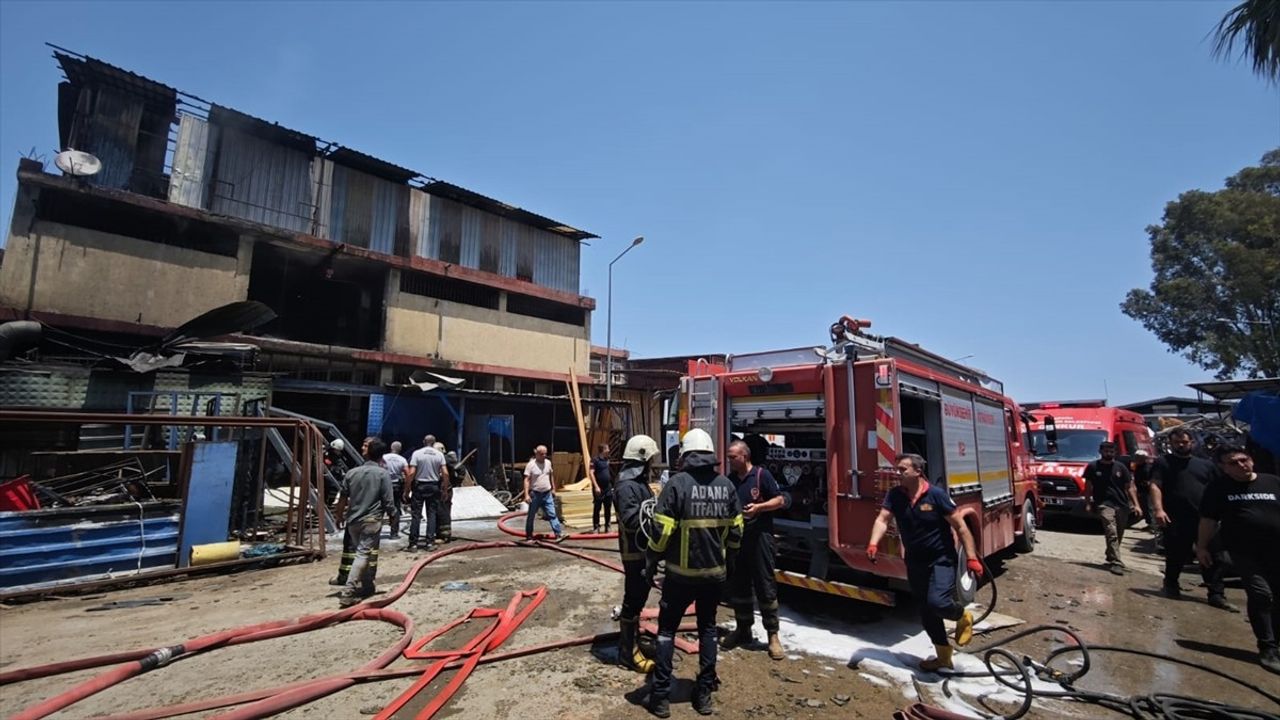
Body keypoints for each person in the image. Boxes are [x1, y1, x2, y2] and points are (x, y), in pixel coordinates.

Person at [644, 428, 743, 718]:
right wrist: (731, 561)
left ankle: (660, 698)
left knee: (666, 632)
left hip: (679, 576)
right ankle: (703, 695)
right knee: (708, 630)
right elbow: (736, 531)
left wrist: (651, 560)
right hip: (714, 576)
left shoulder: (676, 484)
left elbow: (661, 532)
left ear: (686, 455)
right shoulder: (726, 486)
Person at [866, 453, 984, 672]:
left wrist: (971, 558)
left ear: (918, 472)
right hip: (914, 560)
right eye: (897, 469)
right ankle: (943, 656)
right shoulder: (895, 495)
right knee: (926, 610)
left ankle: (961, 615)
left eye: (902, 470)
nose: (897, 473)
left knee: (937, 602)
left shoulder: (937, 496)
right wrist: (873, 543)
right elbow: (882, 519)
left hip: (941, 559)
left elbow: (961, 527)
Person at [1199, 445, 1280, 675]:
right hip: (1244, 552)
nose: (1241, 465)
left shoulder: (1272, 482)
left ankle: (1274, 640)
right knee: (1261, 595)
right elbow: (1208, 520)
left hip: (1276, 551)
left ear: (1251, 460)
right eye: (1233, 463)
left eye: (1244, 460)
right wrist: (1202, 547)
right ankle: (1267, 648)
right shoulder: (1219, 488)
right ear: (1223, 468)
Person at [1150, 428, 1235, 610]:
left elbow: (1219, 488)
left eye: (1184, 442)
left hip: (1206, 518)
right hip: (1176, 518)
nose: (1181, 445)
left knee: (1214, 556)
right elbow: (1155, 485)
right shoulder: (1163, 462)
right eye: (1177, 442)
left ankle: (1216, 594)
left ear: (1192, 443)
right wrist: (1158, 509)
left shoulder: (1206, 465)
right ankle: (1171, 584)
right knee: (1176, 555)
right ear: (1171, 444)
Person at [722, 439, 790, 660]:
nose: (730, 460)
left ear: (745, 456)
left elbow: (781, 499)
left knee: (765, 585)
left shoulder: (762, 476)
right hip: (738, 540)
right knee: (739, 585)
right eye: (729, 456)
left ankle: (773, 636)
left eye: (734, 457)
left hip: (761, 538)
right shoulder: (730, 480)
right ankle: (743, 629)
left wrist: (759, 507)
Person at [613, 434, 660, 673]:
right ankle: (627, 654)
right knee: (633, 601)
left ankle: (632, 644)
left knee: (639, 599)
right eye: (650, 459)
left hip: (643, 551)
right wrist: (658, 516)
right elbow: (632, 520)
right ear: (642, 459)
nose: (653, 463)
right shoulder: (627, 486)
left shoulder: (636, 483)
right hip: (634, 553)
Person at [336, 436, 394, 608]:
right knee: (362, 554)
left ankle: (368, 586)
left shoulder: (351, 473)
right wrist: (393, 516)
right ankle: (348, 592)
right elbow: (388, 500)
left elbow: (343, 498)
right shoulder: (383, 474)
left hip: (353, 520)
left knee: (363, 553)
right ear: (381, 456)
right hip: (371, 520)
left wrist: (338, 516)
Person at [1082, 441, 1141, 575]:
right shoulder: (1092, 467)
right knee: (1111, 530)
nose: (1109, 453)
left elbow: (1130, 487)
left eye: (1111, 451)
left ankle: (1110, 554)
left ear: (1115, 452)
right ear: (1100, 451)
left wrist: (1136, 505)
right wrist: (1087, 503)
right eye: (1106, 451)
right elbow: (1088, 486)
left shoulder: (1121, 468)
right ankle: (1116, 562)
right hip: (1104, 504)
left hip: (1121, 504)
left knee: (1118, 533)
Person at [406, 435, 450, 551]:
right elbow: (445, 473)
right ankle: (430, 543)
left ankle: (413, 544)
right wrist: (445, 489)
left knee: (416, 515)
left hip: (419, 486)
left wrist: (407, 489)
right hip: (434, 487)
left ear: (423, 442)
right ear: (434, 442)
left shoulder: (417, 453)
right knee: (432, 514)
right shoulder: (439, 455)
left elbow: (411, 473)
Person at [523, 445, 566, 543]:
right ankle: (529, 536)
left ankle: (558, 534)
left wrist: (553, 488)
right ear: (536, 454)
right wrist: (526, 495)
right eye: (542, 454)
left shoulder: (548, 463)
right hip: (535, 494)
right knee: (531, 516)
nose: (544, 456)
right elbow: (526, 480)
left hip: (547, 493)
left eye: (545, 454)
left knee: (552, 514)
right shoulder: (531, 465)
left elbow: (551, 476)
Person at [382, 441, 408, 540]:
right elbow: (407, 473)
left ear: (391, 448)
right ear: (400, 449)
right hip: (396, 486)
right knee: (396, 508)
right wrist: (406, 488)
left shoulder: (383, 457)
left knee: (380, 508)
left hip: (384, 485)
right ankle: (394, 533)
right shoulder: (402, 460)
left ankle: (375, 531)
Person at [591, 443, 614, 534]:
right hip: (599, 488)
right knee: (597, 507)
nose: (608, 450)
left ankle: (607, 526)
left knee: (608, 507)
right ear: (603, 450)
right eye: (607, 449)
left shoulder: (607, 460)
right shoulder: (595, 460)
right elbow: (591, 473)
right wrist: (596, 486)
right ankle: (596, 526)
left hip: (608, 487)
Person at [1131, 450, 1157, 531]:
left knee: (1149, 508)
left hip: (1147, 492)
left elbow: (1151, 480)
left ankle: (1153, 526)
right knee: (1144, 508)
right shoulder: (1138, 467)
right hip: (1140, 491)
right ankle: (1149, 523)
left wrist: (1145, 484)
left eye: (1138, 457)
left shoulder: (1147, 468)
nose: (1136, 459)